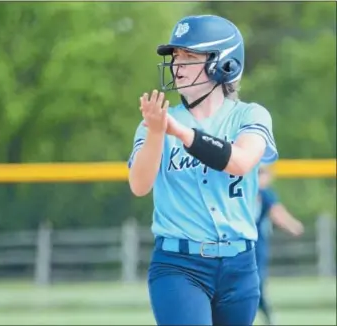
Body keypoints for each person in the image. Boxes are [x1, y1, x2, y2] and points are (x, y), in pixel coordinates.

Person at [127, 15, 279, 325]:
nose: (176, 65)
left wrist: (182, 133)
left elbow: (241, 161)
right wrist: (157, 134)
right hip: (179, 266)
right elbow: (139, 185)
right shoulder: (155, 124)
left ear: (223, 64)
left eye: (189, 56)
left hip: (239, 267)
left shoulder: (250, 116)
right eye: (176, 56)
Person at [255, 164, 304, 325]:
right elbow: (278, 214)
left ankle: (266, 315)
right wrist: (294, 226)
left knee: (253, 284)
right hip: (254, 247)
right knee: (256, 284)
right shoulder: (263, 193)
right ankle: (267, 315)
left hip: (246, 245)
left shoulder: (247, 191)